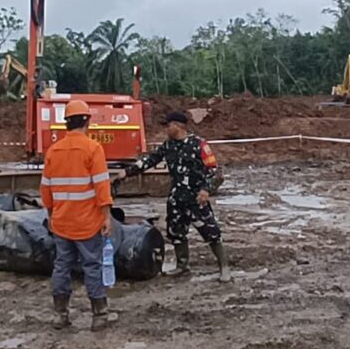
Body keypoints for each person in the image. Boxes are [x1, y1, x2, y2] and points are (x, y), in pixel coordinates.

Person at [41, 99, 118, 331]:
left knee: (61, 266)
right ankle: (99, 316)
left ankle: (60, 315)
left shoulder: (54, 151)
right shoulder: (93, 149)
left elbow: (46, 188)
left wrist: (52, 214)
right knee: (92, 266)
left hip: (62, 222)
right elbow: (102, 187)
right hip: (87, 222)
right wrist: (106, 216)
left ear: (67, 123)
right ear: (87, 121)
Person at [126, 111, 229, 282]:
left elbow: (212, 169)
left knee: (211, 233)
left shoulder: (198, 145)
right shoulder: (168, 146)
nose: (166, 129)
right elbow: (150, 160)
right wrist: (127, 172)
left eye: (168, 125)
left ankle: (224, 268)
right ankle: (182, 266)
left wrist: (205, 190)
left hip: (196, 199)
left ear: (178, 126)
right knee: (176, 233)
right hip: (176, 199)